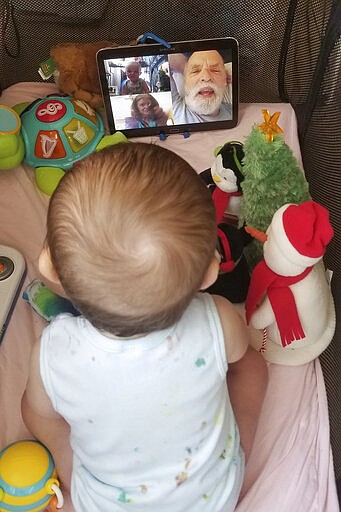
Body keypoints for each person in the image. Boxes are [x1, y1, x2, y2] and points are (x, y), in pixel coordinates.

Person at [21, 142, 268, 512]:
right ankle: (237, 446)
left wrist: (64, 455)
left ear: (50, 267)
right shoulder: (216, 318)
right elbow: (242, 358)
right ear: (209, 273)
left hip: (105, 505)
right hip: (213, 498)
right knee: (251, 366)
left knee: (48, 425)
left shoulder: (54, 353)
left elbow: (37, 413)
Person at [171, 49, 232, 123]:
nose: (206, 77)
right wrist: (185, 69)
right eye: (195, 71)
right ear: (185, 81)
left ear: (226, 79)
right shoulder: (175, 107)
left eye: (215, 70)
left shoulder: (233, 112)